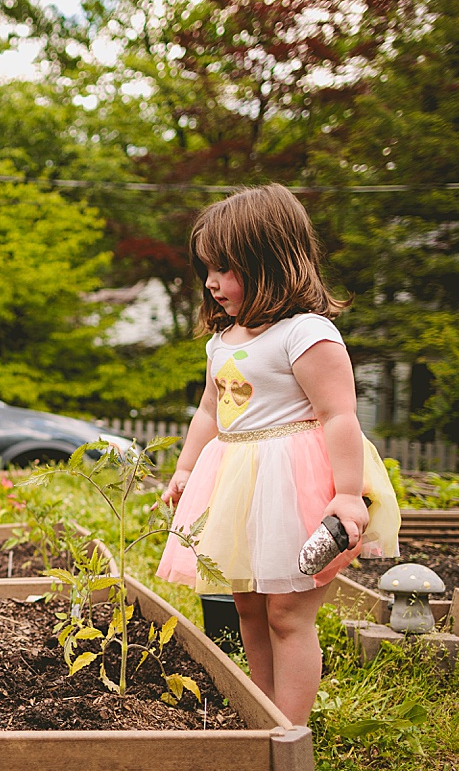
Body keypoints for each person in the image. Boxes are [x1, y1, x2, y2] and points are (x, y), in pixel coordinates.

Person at [156, 184, 400, 727]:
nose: (212, 283)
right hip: (238, 482)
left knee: (288, 612)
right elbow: (209, 411)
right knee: (247, 605)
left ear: (269, 261)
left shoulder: (307, 334)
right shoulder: (221, 341)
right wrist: (186, 468)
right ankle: (261, 715)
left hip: (294, 485)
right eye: (207, 270)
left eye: (226, 268)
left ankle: (289, 732)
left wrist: (345, 494)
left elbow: (339, 416)